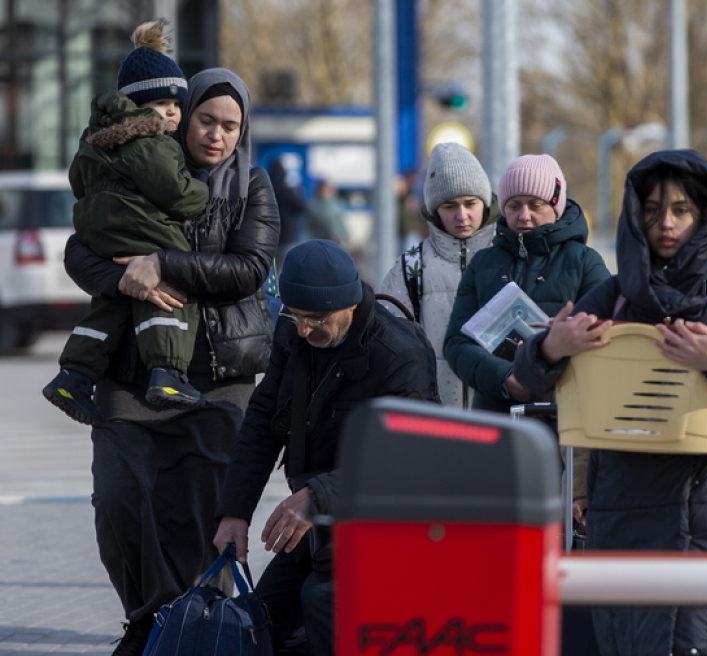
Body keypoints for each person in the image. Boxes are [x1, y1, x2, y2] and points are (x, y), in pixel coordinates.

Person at [514, 149, 707, 656]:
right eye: (653, 209)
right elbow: (527, 373)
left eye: (681, 210)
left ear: (705, 216)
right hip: (623, 511)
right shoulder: (613, 294)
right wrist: (554, 345)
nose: (666, 223)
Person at [62, 67, 280, 656]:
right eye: (206, 120)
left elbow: (249, 269)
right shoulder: (144, 164)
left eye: (230, 126)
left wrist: (164, 265)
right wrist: (124, 280)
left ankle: (186, 624)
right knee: (118, 502)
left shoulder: (251, 184)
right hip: (133, 371)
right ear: (183, 118)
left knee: (197, 511)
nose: (217, 135)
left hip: (218, 375)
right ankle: (149, 619)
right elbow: (80, 248)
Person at [213, 239, 439, 656]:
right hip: (319, 524)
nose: (303, 330)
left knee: (323, 602)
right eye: (295, 316)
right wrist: (234, 511)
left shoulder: (398, 354)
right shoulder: (294, 331)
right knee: (264, 620)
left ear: (350, 304)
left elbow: (412, 454)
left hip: (382, 523)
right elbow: (263, 420)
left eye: (316, 318)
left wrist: (318, 495)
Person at [42, 19, 208, 426]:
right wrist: (202, 192)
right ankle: (167, 371)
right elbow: (174, 193)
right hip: (138, 223)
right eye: (161, 105)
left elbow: (78, 182)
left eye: (176, 104)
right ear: (137, 107)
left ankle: (74, 374)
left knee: (112, 303)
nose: (172, 112)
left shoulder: (95, 139)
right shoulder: (150, 143)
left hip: (98, 227)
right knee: (174, 282)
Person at [444, 153, 610, 414]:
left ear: (556, 207)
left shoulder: (586, 263)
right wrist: (504, 377)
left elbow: (604, 339)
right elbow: (456, 343)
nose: (524, 216)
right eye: (514, 206)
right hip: (493, 417)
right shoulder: (483, 264)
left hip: (562, 418)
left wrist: (545, 366)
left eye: (535, 205)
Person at [380, 143, 499, 409]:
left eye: (471, 203)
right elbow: (385, 345)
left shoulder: (509, 257)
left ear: (485, 202)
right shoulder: (411, 266)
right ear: (434, 210)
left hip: (499, 415)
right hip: (434, 418)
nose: (462, 215)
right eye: (449, 206)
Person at [303, 179, 350, 246]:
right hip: (319, 243)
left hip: (338, 242)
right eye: (327, 189)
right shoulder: (314, 205)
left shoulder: (336, 203)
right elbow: (326, 221)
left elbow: (341, 223)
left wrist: (347, 237)